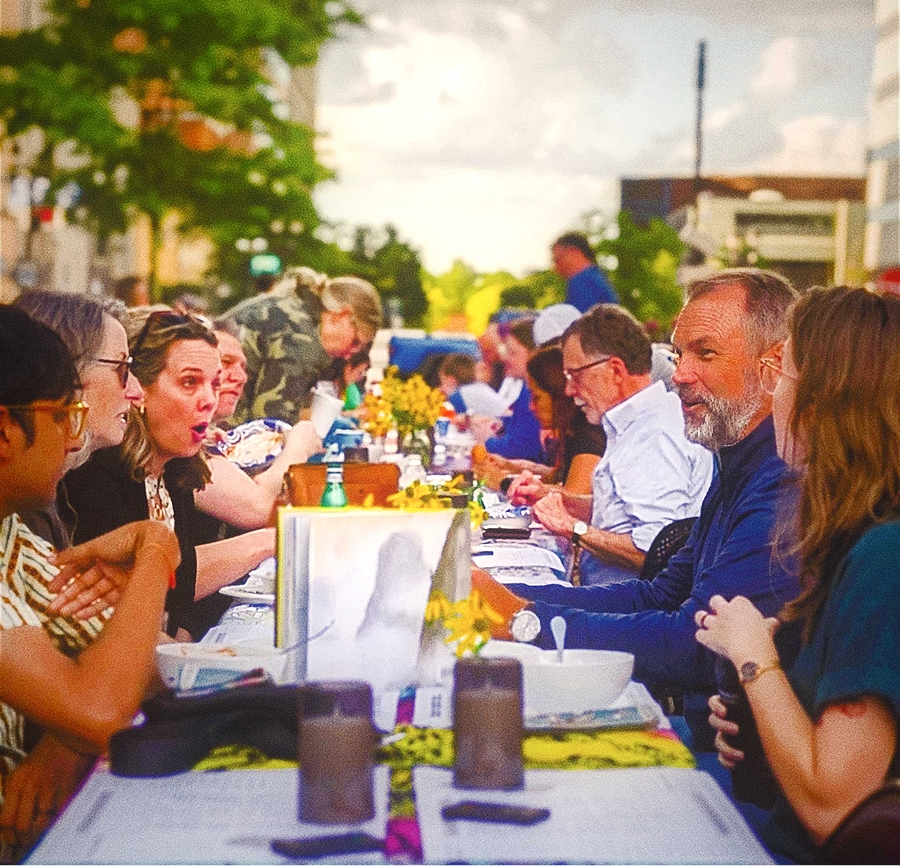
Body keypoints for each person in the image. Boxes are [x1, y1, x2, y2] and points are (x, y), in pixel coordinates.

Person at [472, 269, 801, 748]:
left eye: (704, 353)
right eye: (679, 352)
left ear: (772, 366)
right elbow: (659, 595)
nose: (681, 373)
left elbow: (694, 643)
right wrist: (506, 595)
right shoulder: (736, 463)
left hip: (709, 748)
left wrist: (526, 620)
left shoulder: (779, 480)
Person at [697, 286, 900, 862]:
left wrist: (754, 658)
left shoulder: (883, 558)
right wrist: (765, 723)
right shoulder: (858, 537)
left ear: (822, 402)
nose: (772, 397)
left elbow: (832, 807)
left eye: (780, 376)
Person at [0, 306, 179, 859]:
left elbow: (143, 677)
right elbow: (104, 712)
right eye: (62, 416)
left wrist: (64, 741)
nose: (70, 438)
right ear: (6, 432)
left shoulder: (11, 534)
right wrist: (155, 549)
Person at [58, 310, 274, 640]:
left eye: (214, 384)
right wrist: (273, 539)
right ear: (138, 389)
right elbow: (167, 582)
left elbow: (180, 595)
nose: (209, 401)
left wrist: (183, 641)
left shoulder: (174, 468)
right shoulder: (95, 474)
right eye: (190, 382)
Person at [508, 304, 713, 585]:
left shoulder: (653, 435)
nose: (568, 390)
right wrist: (560, 500)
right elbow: (622, 514)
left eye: (574, 375)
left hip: (628, 612)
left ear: (615, 370)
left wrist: (572, 527)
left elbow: (654, 549)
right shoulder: (640, 423)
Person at [13, 290, 144, 549]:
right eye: (122, 369)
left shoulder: (50, 490)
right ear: (69, 371)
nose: (136, 392)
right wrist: (156, 550)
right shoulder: (20, 502)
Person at [226, 267, 383, 426]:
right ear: (341, 316)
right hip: (219, 432)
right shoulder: (302, 338)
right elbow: (272, 423)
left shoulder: (296, 306)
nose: (350, 355)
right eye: (356, 342)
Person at [475, 340, 606, 496]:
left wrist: (505, 482)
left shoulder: (588, 437)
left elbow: (574, 497)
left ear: (559, 397)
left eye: (537, 398)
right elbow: (559, 476)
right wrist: (511, 466)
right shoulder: (574, 431)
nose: (531, 406)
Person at [470, 317, 544, 463]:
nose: (504, 358)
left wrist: (486, 441)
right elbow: (525, 425)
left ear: (533, 354)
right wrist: (501, 422)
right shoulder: (526, 387)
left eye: (512, 352)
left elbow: (523, 447)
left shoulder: (533, 391)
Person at [551, 232, 618, 312]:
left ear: (574, 252)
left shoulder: (581, 280)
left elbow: (578, 320)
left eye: (557, 260)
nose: (555, 268)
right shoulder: (597, 276)